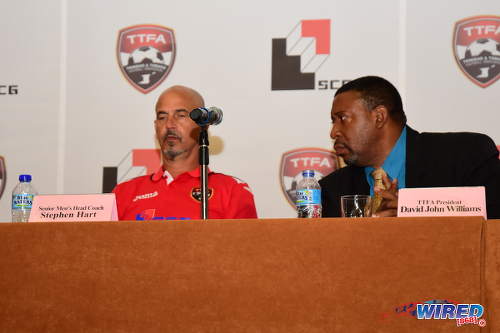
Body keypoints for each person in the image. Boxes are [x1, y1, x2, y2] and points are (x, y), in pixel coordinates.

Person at [320, 76, 500, 219]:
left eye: (342, 118)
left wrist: (413, 214)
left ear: (379, 117)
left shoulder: (465, 156)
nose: (334, 132)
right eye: (333, 121)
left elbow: (491, 233)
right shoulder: (332, 190)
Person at [113, 85, 258, 220]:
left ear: (203, 124)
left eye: (181, 115)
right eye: (162, 117)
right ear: (155, 125)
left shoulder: (232, 191)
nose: (169, 125)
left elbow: (244, 247)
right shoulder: (124, 192)